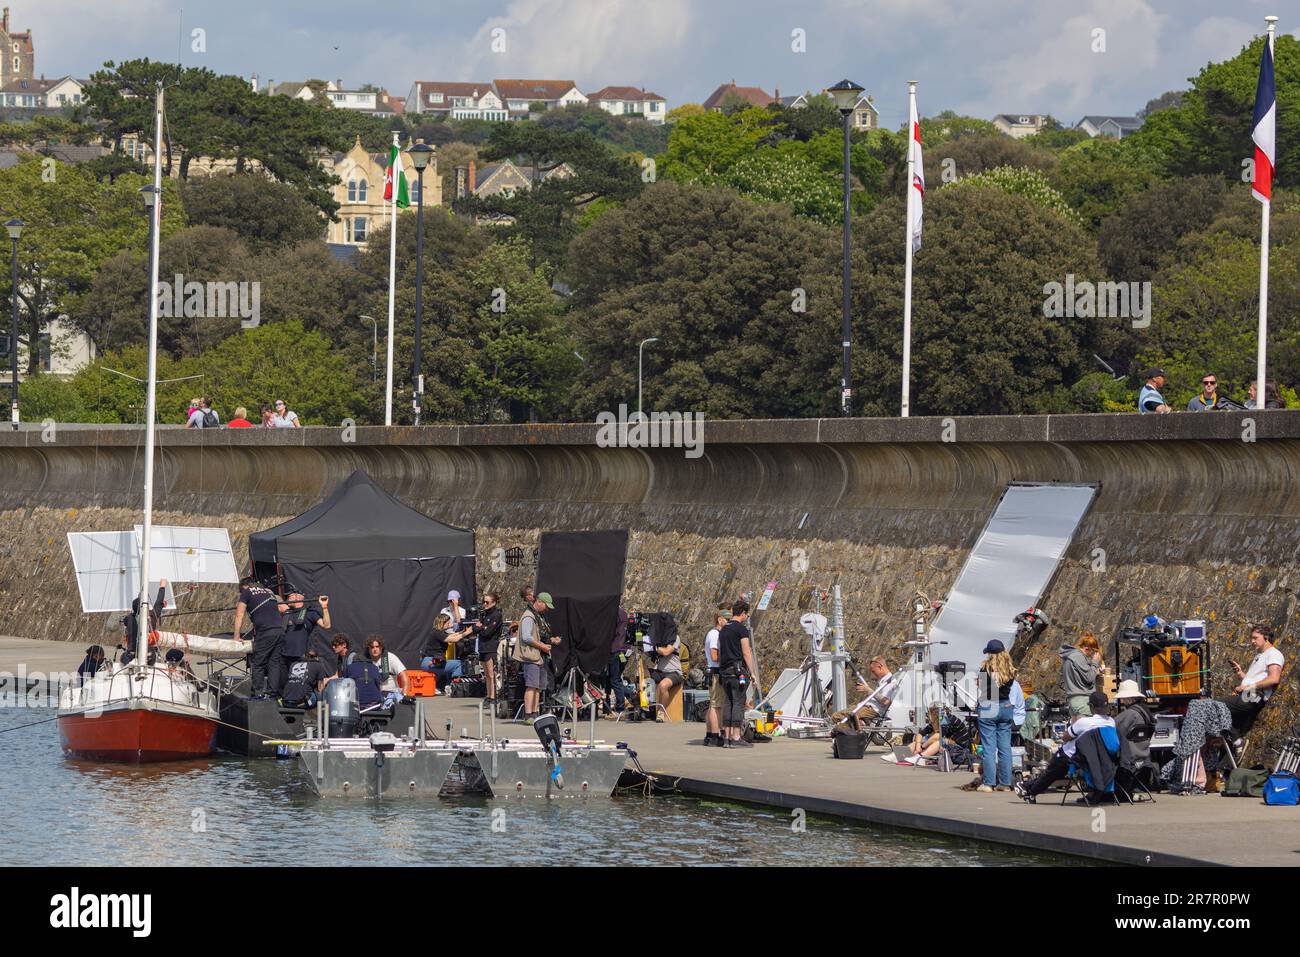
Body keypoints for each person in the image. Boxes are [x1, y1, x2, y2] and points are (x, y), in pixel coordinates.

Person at [1015, 690, 1115, 802]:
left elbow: (1065, 737)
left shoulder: (1085, 722)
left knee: (1052, 772)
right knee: (1054, 771)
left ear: (1091, 706)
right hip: (1098, 758)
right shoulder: (1111, 722)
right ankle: (1028, 785)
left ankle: (1030, 790)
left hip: (1074, 756)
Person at [1217, 625, 1285, 740]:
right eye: (1251, 638)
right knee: (1223, 718)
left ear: (1266, 637)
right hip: (1249, 694)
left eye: (1255, 638)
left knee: (1213, 704)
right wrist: (1241, 674)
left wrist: (1248, 687)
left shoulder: (1274, 654)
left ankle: (1235, 738)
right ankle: (1235, 739)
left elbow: (1274, 678)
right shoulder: (1259, 656)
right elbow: (1254, 679)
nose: (1252, 641)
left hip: (1255, 695)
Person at [975, 640, 1024, 793]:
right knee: (1004, 747)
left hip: (989, 706)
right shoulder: (1010, 670)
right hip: (1006, 707)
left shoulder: (985, 669)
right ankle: (1005, 783)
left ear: (990, 653)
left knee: (989, 747)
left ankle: (989, 783)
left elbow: (985, 690)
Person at [233, 577, 288, 699]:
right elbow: (284, 609)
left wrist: (237, 636)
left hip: (265, 632)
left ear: (245, 587)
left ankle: (258, 694)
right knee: (274, 663)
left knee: (258, 663)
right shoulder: (269, 592)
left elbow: (239, 615)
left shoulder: (246, 592)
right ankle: (272, 694)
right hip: (279, 630)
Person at [717, 600, 759, 748]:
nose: (747, 617)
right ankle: (736, 736)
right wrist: (752, 673)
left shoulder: (723, 630)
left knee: (728, 703)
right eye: (746, 614)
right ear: (742, 613)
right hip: (737, 671)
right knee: (739, 703)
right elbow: (747, 653)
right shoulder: (741, 630)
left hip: (725, 671)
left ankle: (727, 737)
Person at [514, 591, 561, 719]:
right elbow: (527, 638)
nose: (546, 608)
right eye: (546, 605)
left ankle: (535, 712)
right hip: (531, 656)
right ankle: (528, 714)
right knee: (531, 686)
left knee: (538, 687)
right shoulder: (529, 616)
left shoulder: (538, 616)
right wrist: (543, 647)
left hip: (539, 656)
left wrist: (551, 640)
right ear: (539, 602)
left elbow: (540, 636)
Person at [279, 592, 330, 696]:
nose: (287, 598)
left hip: (299, 657)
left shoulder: (309, 613)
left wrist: (324, 607)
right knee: (283, 684)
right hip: (283, 655)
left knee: (298, 685)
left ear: (298, 597)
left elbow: (327, 625)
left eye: (290, 596)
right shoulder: (287, 613)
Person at [1059, 632, 1108, 717]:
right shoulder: (1078, 657)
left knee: (1078, 729)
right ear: (1087, 648)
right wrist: (1095, 663)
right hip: (1082, 701)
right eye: (1094, 651)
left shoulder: (1071, 656)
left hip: (1074, 700)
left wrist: (1095, 670)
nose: (1093, 655)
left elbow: (1081, 676)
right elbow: (1089, 678)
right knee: (1088, 728)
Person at [121, 578, 168, 665]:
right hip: (148, 656)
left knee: (123, 658)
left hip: (131, 655)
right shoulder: (152, 616)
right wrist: (162, 587)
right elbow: (158, 602)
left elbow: (126, 620)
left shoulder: (128, 618)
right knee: (153, 656)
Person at [421, 613, 467, 692]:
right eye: (448, 623)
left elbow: (452, 635)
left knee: (450, 664)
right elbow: (453, 639)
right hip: (432, 662)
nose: (450, 624)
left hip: (430, 661)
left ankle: (449, 685)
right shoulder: (437, 633)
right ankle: (453, 686)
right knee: (459, 663)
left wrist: (462, 632)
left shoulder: (437, 632)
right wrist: (467, 632)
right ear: (442, 623)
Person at [647, 617, 683, 713]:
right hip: (660, 671)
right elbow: (651, 653)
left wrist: (653, 647)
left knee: (663, 685)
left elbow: (666, 652)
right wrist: (644, 646)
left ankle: (661, 712)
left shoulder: (675, 638)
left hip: (674, 672)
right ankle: (647, 710)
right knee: (643, 682)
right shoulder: (659, 639)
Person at [702, 611, 727, 745]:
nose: (728, 621)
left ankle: (709, 734)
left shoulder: (715, 633)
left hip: (714, 671)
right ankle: (714, 735)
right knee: (716, 705)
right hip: (716, 671)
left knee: (715, 704)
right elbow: (714, 656)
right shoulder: (714, 634)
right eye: (726, 618)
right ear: (719, 619)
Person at [364, 635, 407, 705]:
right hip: (372, 695)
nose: (375, 649)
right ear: (368, 649)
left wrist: (404, 694)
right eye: (372, 647)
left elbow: (404, 676)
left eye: (377, 646)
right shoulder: (364, 660)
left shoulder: (390, 657)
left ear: (381, 647)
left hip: (391, 694)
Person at [607, 606, 633, 717]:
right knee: (617, 679)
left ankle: (620, 709)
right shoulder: (623, 612)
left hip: (616, 649)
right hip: (626, 650)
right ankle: (633, 696)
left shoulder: (612, 612)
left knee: (615, 680)